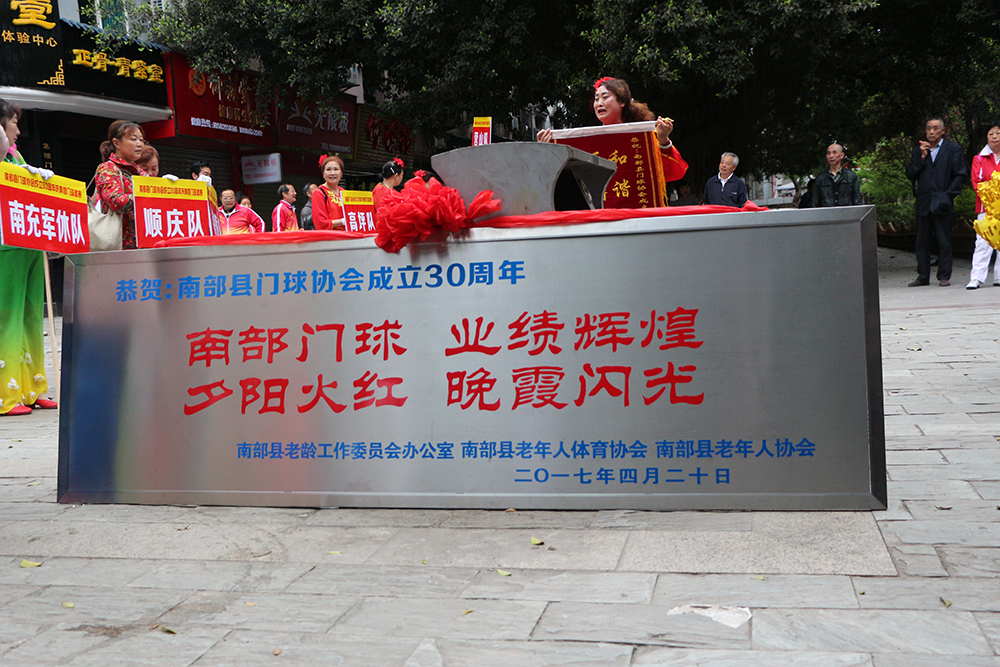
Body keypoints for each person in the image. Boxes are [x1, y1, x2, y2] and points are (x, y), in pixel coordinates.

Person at [0, 98, 58, 416]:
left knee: (33, 317)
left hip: (29, 242)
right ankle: (5, 394)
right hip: (5, 246)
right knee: (8, 319)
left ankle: (32, 389)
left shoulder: (17, 155)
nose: (18, 130)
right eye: (14, 122)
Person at [537, 77, 688, 183]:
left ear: (622, 102)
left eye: (605, 97)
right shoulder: (587, 140)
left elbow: (674, 173)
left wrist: (663, 140)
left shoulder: (643, 137)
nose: (599, 103)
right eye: (596, 99)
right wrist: (545, 150)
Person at [905, 117, 968, 287]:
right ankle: (922, 276)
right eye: (928, 128)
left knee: (944, 241)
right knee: (922, 243)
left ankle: (944, 275)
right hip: (924, 203)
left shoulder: (953, 149)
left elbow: (960, 175)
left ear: (943, 130)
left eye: (935, 128)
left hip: (943, 201)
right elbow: (910, 174)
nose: (931, 132)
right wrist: (922, 157)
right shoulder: (919, 151)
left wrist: (948, 196)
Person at [94, 120, 148, 250]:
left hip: (144, 245)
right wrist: (147, 196)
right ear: (116, 143)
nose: (139, 144)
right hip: (120, 246)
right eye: (133, 139)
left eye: (141, 140)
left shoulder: (141, 173)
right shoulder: (108, 168)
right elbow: (116, 201)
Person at [967, 122, 1000, 289]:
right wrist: (992, 199)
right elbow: (977, 183)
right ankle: (977, 278)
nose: (994, 137)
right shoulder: (979, 158)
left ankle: (999, 277)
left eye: (998, 133)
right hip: (986, 207)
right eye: (991, 134)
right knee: (983, 242)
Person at [812, 143, 862, 207]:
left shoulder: (851, 176)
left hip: (847, 212)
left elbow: (857, 201)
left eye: (834, 153)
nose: (831, 156)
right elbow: (815, 203)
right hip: (827, 212)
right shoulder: (820, 178)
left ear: (842, 155)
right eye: (828, 153)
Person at [312, 154, 346, 230]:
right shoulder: (319, 193)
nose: (332, 173)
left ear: (341, 174)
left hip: (346, 235)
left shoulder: (343, 191)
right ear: (323, 174)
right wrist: (343, 221)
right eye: (328, 170)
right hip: (329, 236)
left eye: (336, 169)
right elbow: (320, 223)